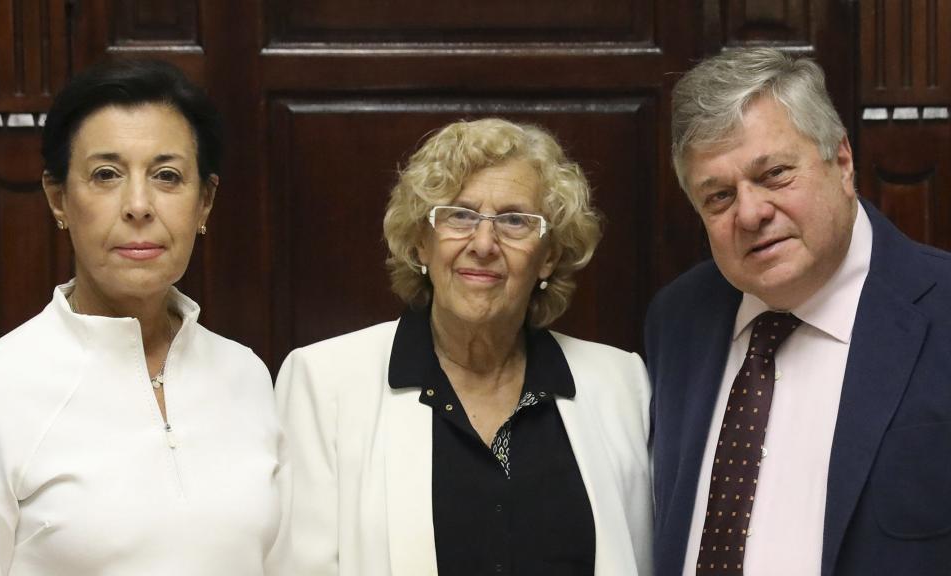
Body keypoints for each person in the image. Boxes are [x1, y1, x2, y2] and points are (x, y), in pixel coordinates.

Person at [0, 59, 282, 575]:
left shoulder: (246, 375)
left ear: (204, 202)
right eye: (106, 175)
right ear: (58, 199)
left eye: (167, 176)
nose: (138, 205)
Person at [267, 118, 652, 575]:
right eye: (460, 216)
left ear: (548, 256)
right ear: (422, 243)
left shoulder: (620, 384)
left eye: (514, 220)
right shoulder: (324, 382)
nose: (483, 244)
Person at [645, 47, 951, 576]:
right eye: (719, 196)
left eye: (775, 174)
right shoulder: (677, 319)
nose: (750, 213)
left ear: (842, 161)